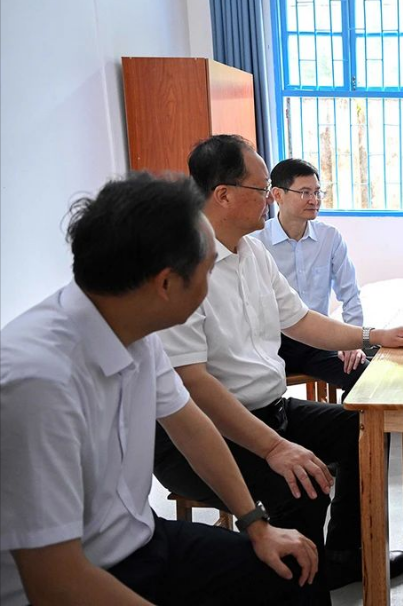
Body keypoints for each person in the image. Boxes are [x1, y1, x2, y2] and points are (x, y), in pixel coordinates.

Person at [0, 174, 322, 605]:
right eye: (209, 270)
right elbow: (55, 582)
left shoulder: (133, 325)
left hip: (141, 539)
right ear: (166, 284)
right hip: (80, 579)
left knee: (291, 570)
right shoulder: (35, 385)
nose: (212, 282)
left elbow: (190, 426)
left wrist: (256, 525)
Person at [152, 135, 403, 597]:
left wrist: (372, 336)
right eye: (262, 190)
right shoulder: (180, 263)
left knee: (362, 430)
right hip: (202, 432)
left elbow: (299, 320)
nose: (269, 199)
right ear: (223, 195)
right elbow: (191, 384)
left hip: (269, 409)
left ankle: (341, 557)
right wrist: (276, 448)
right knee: (303, 484)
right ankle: (303, 586)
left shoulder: (252, 251)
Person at [250, 158, 368, 395]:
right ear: (278, 195)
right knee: (248, 391)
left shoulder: (329, 237)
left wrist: (352, 342)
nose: (314, 200)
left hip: (317, 340)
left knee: (364, 375)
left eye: (317, 192)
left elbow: (350, 294)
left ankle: (346, 421)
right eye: (305, 192)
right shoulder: (256, 241)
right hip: (271, 344)